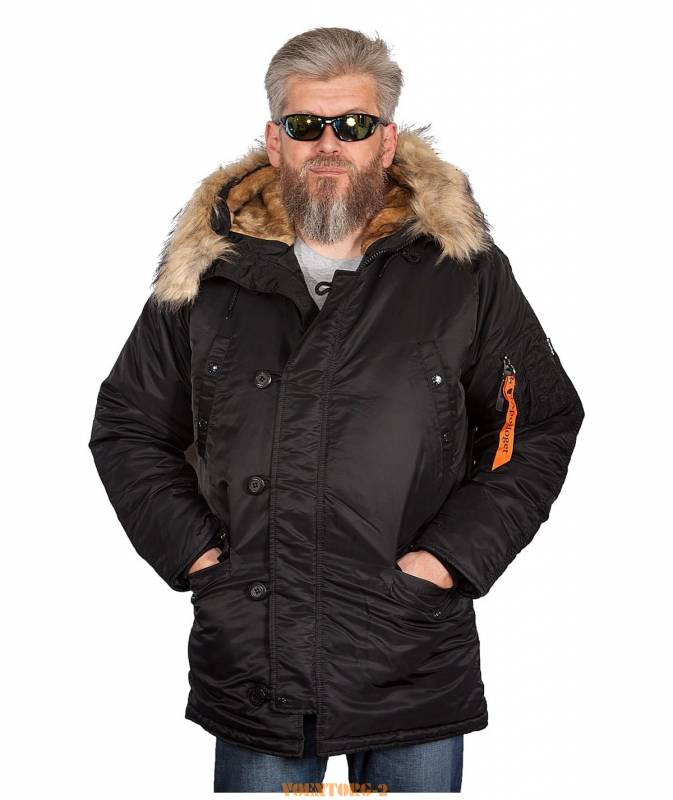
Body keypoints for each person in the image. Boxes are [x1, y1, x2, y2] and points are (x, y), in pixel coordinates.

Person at [88, 26, 585, 793]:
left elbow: (536, 424)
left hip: (410, 649)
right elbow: (129, 426)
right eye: (305, 124)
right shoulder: (208, 275)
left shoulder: (459, 272)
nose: (328, 143)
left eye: (352, 125)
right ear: (274, 140)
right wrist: (198, 556)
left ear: (385, 140)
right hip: (255, 657)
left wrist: (447, 561)